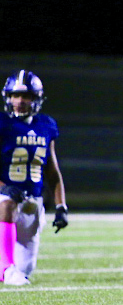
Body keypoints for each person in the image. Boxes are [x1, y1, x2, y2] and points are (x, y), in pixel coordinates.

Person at [0, 70, 68, 286]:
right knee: (7, 203)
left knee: (25, 269)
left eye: (26, 96)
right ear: (7, 97)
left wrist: (61, 206)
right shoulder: (2, 123)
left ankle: (10, 268)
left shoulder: (46, 125)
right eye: (15, 95)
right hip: (5, 197)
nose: (19, 101)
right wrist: (3, 188)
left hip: (33, 202)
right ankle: (4, 267)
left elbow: (52, 170)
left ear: (36, 98)